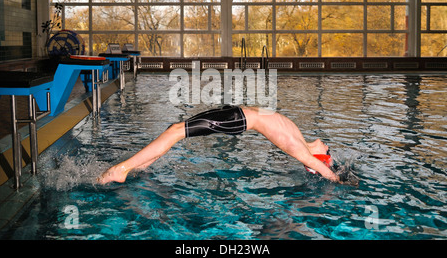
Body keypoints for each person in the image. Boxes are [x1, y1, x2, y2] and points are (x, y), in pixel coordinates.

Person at [98, 105, 347, 185]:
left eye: (328, 153)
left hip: (236, 120)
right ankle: (139, 166)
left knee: (175, 132)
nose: (328, 148)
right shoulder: (299, 136)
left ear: (316, 159)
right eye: (330, 152)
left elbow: (321, 168)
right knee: (172, 130)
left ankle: (120, 171)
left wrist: (337, 178)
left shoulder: (299, 148)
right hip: (235, 112)